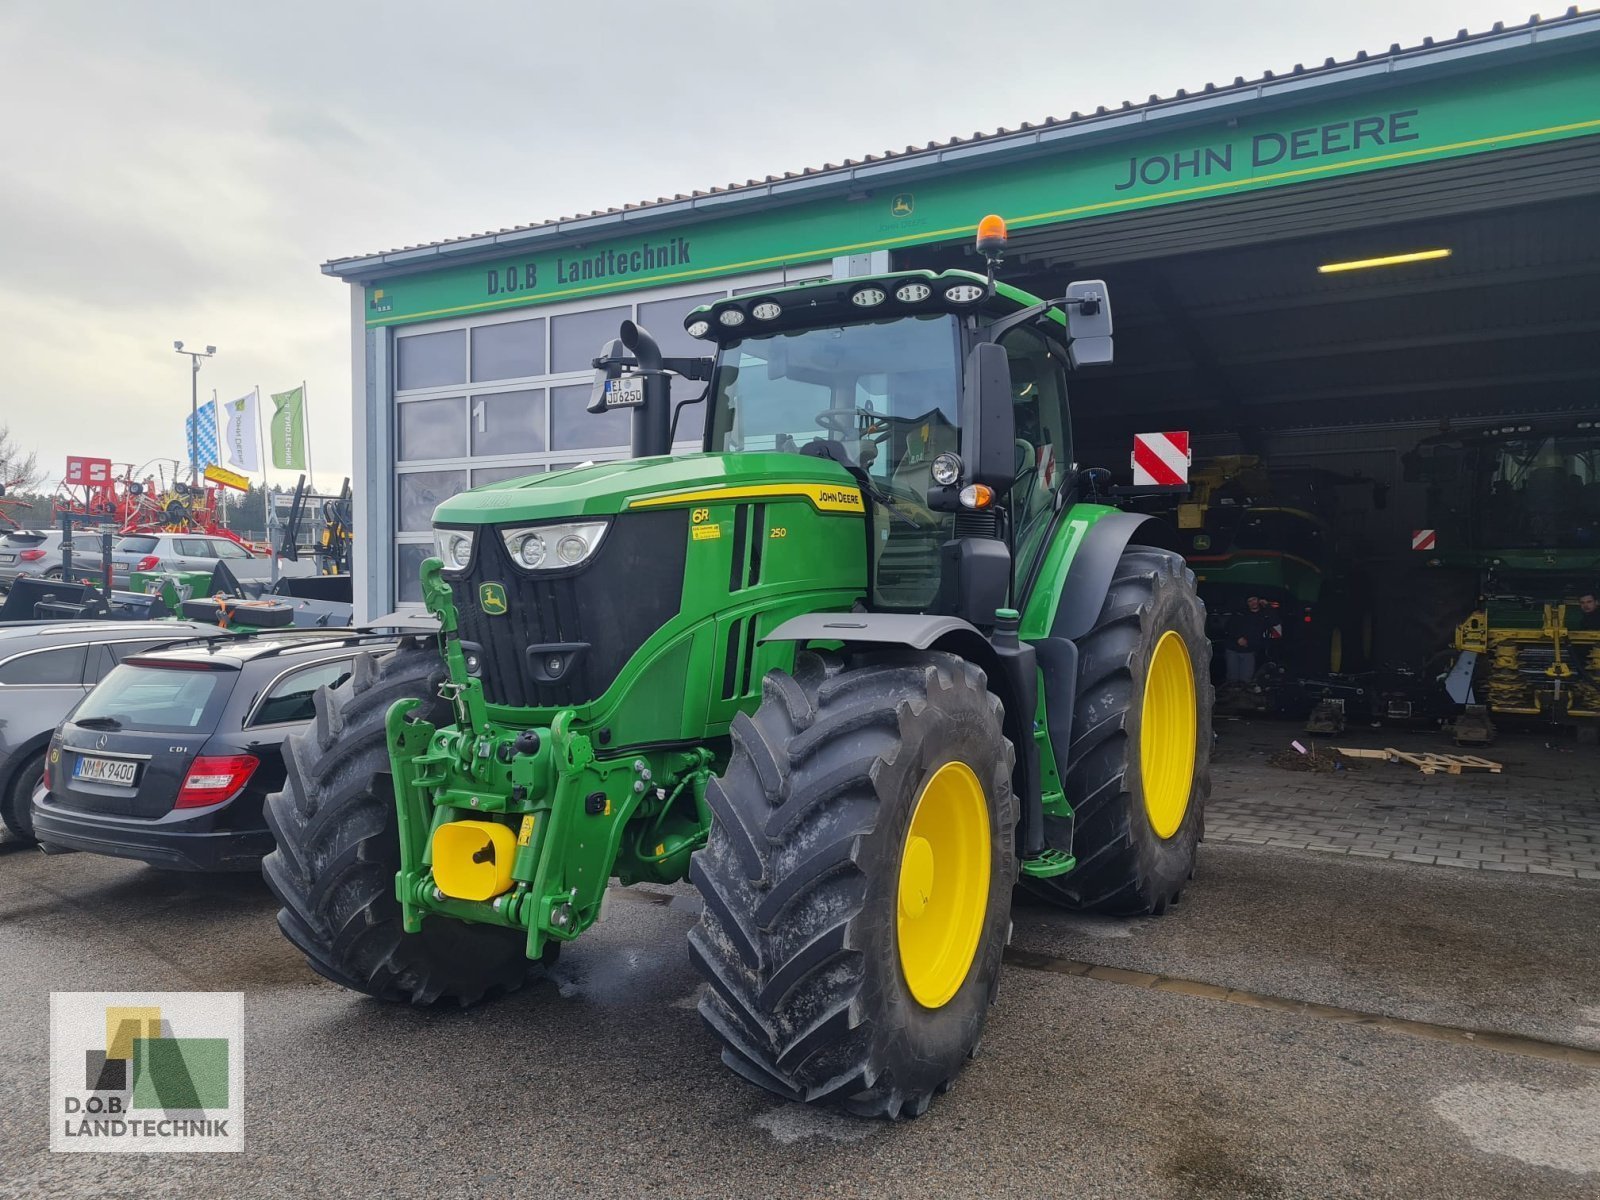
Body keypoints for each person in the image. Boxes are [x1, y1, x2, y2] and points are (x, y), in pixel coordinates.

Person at [1223, 595, 1276, 684]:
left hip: (1249, 651)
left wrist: (1267, 606)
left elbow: (1275, 621)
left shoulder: (1264, 614)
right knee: (1232, 680)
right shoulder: (1240, 613)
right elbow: (1229, 627)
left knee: (1246, 680)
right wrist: (1238, 638)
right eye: (1250, 601)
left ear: (1259, 600)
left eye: (1254, 599)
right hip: (1233, 649)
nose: (1253, 602)